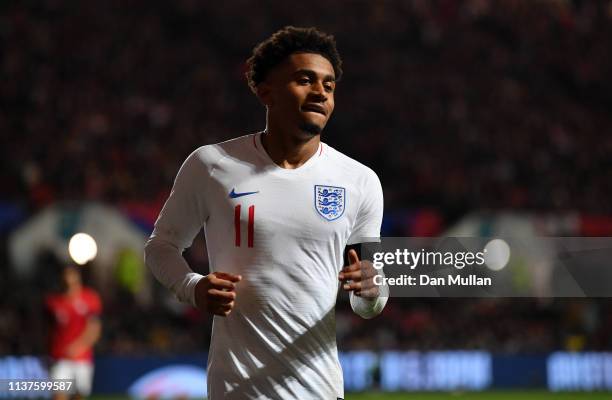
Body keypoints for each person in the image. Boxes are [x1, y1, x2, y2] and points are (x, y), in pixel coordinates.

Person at [145, 26, 387, 399]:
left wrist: (372, 291)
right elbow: (161, 246)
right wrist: (193, 287)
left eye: (329, 84)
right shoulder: (212, 165)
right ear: (265, 91)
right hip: (236, 391)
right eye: (305, 79)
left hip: (320, 391)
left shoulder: (359, 181)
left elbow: (370, 295)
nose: (321, 91)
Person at [45, 265, 102, 400]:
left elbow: (95, 329)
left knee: (79, 396)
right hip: (60, 358)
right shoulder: (53, 302)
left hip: (82, 359)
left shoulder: (90, 298)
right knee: (59, 395)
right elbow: (47, 330)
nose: (68, 280)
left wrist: (78, 347)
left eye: (71, 276)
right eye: (65, 276)